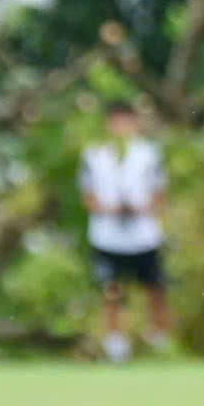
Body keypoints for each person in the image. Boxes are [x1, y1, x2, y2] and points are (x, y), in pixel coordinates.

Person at [80, 101, 171, 362]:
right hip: (108, 235)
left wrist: (141, 208)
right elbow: (88, 196)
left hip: (143, 234)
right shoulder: (94, 155)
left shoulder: (149, 153)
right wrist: (110, 209)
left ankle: (158, 339)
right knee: (112, 290)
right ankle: (115, 344)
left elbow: (159, 193)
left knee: (155, 287)